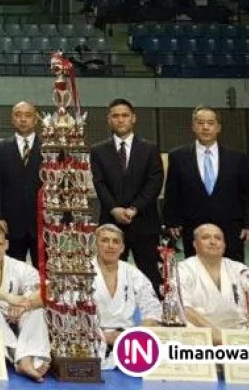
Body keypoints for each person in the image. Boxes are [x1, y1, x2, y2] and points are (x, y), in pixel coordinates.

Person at [90, 99, 164, 293]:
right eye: (115, 116)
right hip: (111, 224)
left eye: (124, 115)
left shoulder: (150, 149)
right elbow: (99, 183)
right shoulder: (98, 151)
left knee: (152, 277)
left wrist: (134, 208)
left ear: (133, 118)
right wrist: (114, 209)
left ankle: (155, 319)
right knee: (108, 277)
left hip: (144, 223)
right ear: (109, 120)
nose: (120, 120)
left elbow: (154, 181)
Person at [164, 106, 249, 262]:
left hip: (231, 228)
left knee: (232, 275)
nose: (205, 127)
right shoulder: (178, 156)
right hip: (193, 227)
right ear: (193, 127)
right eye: (200, 122)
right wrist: (172, 221)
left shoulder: (238, 158)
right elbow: (172, 191)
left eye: (210, 123)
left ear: (218, 127)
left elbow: (245, 193)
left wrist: (247, 223)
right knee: (197, 273)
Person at [0, 221, 50, 382]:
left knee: (36, 310)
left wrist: (24, 305)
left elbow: (46, 290)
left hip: (16, 314)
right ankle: (19, 355)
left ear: (6, 245)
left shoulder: (18, 267)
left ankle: (26, 357)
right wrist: (8, 297)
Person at [93, 224, 161, 368]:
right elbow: (71, 313)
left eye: (116, 241)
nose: (110, 246)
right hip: (90, 340)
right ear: (95, 244)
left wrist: (135, 336)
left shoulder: (133, 273)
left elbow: (153, 308)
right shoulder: (82, 271)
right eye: (104, 240)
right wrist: (104, 337)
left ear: (123, 248)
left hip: (127, 341)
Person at [0, 101, 42, 263]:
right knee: (13, 274)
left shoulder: (50, 148)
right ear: (12, 119)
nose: (23, 119)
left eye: (28, 115)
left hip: (42, 224)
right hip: (11, 224)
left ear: (36, 120)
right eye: (18, 115)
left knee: (44, 276)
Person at [178, 223, 249, 344]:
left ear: (224, 245)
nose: (213, 242)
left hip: (238, 335)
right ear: (195, 244)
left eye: (218, 238)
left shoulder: (238, 268)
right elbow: (184, 308)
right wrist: (219, 337)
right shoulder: (183, 269)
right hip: (199, 337)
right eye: (206, 237)